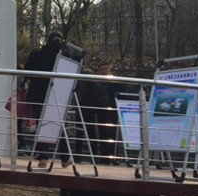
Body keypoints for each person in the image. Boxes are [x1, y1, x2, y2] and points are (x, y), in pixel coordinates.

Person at [23, 31, 69, 168]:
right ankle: (65, 158)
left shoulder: (36, 54)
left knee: (40, 125)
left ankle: (43, 157)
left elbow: (27, 72)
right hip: (56, 94)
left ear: (47, 39)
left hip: (37, 94)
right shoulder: (63, 58)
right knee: (58, 126)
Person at [78, 62, 123, 164]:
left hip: (112, 110)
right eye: (102, 69)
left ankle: (112, 157)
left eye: (106, 69)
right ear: (98, 71)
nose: (104, 71)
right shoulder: (95, 82)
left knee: (112, 133)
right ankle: (104, 157)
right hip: (100, 110)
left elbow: (122, 93)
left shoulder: (116, 81)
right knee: (102, 133)